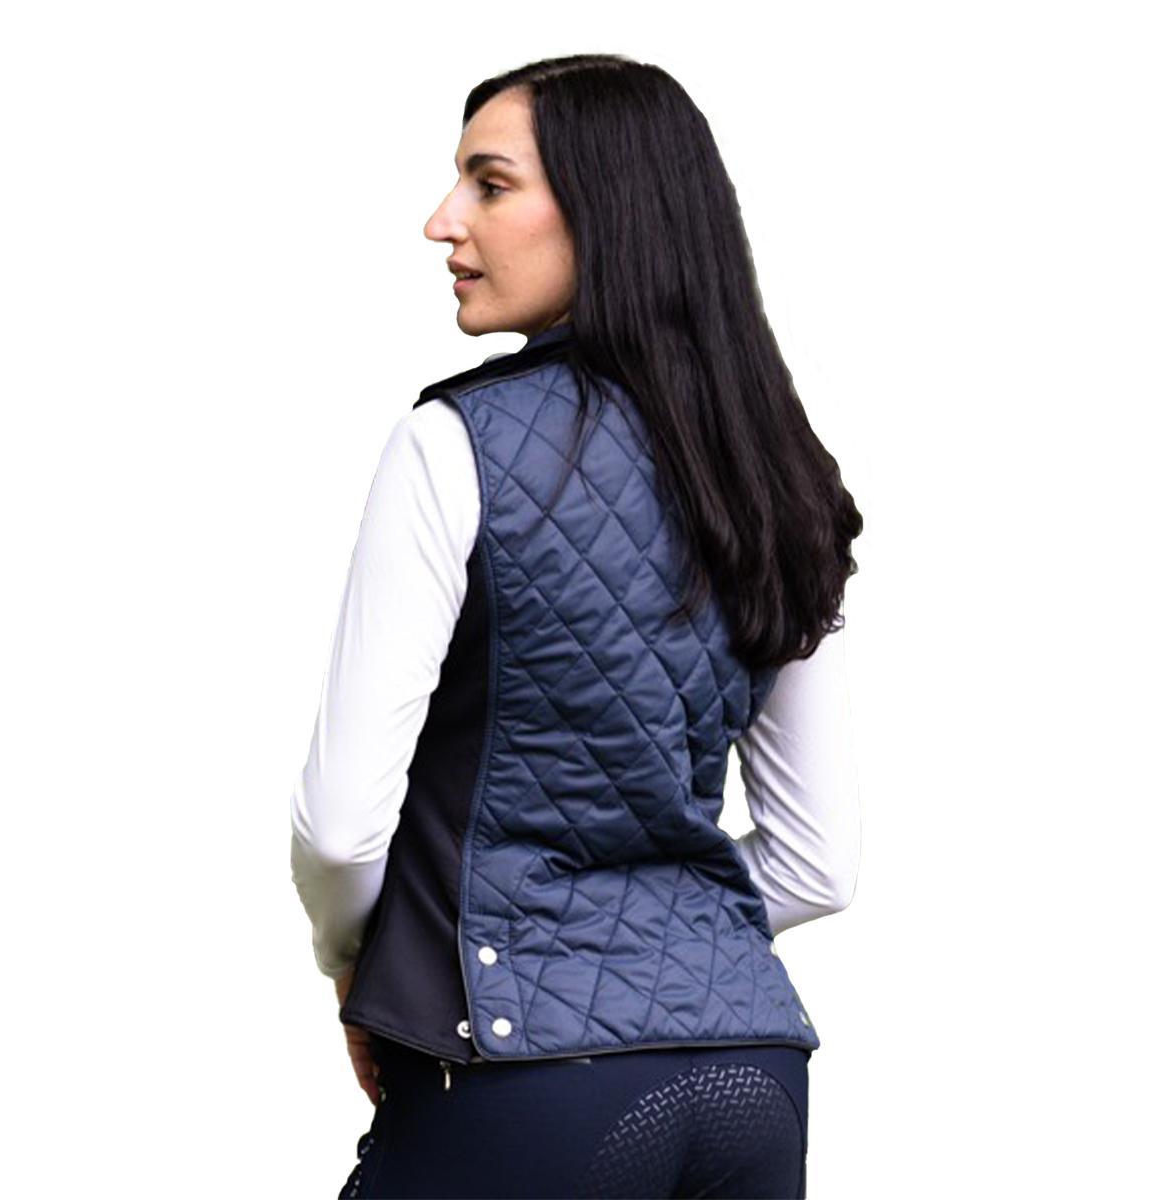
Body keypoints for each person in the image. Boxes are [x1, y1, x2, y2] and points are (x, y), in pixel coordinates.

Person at [290, 53, 863, 1200]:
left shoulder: (455, 446)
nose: (443, 221)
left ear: (606, 207)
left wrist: (368, 970)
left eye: (490, 183)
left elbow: (343, 830)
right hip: (753, 1072)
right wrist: (665, 945)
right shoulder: (777, 467)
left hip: (522, 1076)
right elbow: (820, 863)